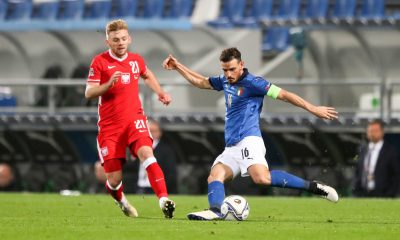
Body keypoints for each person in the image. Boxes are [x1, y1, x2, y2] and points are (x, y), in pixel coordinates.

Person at [163, 47, 339, 220]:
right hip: (232, 145)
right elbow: (201, 82)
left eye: (232, 69)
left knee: (261, 178)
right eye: (225, 70)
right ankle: (216, 210)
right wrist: (178, 66)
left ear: (241, 65)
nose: (228, 74)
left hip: (249, 139)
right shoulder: (225, 80)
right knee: (215, 176)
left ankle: (315, 187)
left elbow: (284, 94)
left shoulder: (254, 83)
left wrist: (313, 108)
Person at [85, 19, 175, 218]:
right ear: (108, 42)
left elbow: (146, 73)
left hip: (135, 119)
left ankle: (164, 200)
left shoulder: (136, 60)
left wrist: (160, 92)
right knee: (115, 179)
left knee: (147, 154)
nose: (120, 42)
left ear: (129, 39)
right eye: (115, 39)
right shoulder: (99, 62)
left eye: (124, 38)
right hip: (110, 127)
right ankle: (122, 201)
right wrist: (107, 85)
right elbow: (89, 92)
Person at [353, 119, 400, 197]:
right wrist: (356, 189)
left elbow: (396, 175)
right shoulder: (362, 149)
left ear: (382, 132)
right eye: (370, 131)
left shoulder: (390, 151)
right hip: (363, 193)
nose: (372, 133)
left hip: (383, 194)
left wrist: (391, 193)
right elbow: (358, 171)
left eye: (375, 131)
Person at [137, 120, 178, 194]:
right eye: (149, 131)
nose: (151, 134)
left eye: (154, 131)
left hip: (156, 188)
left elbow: (170, 172)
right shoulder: (138, 147)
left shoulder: (166, 150)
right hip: (139, 187)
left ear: (160, 133)